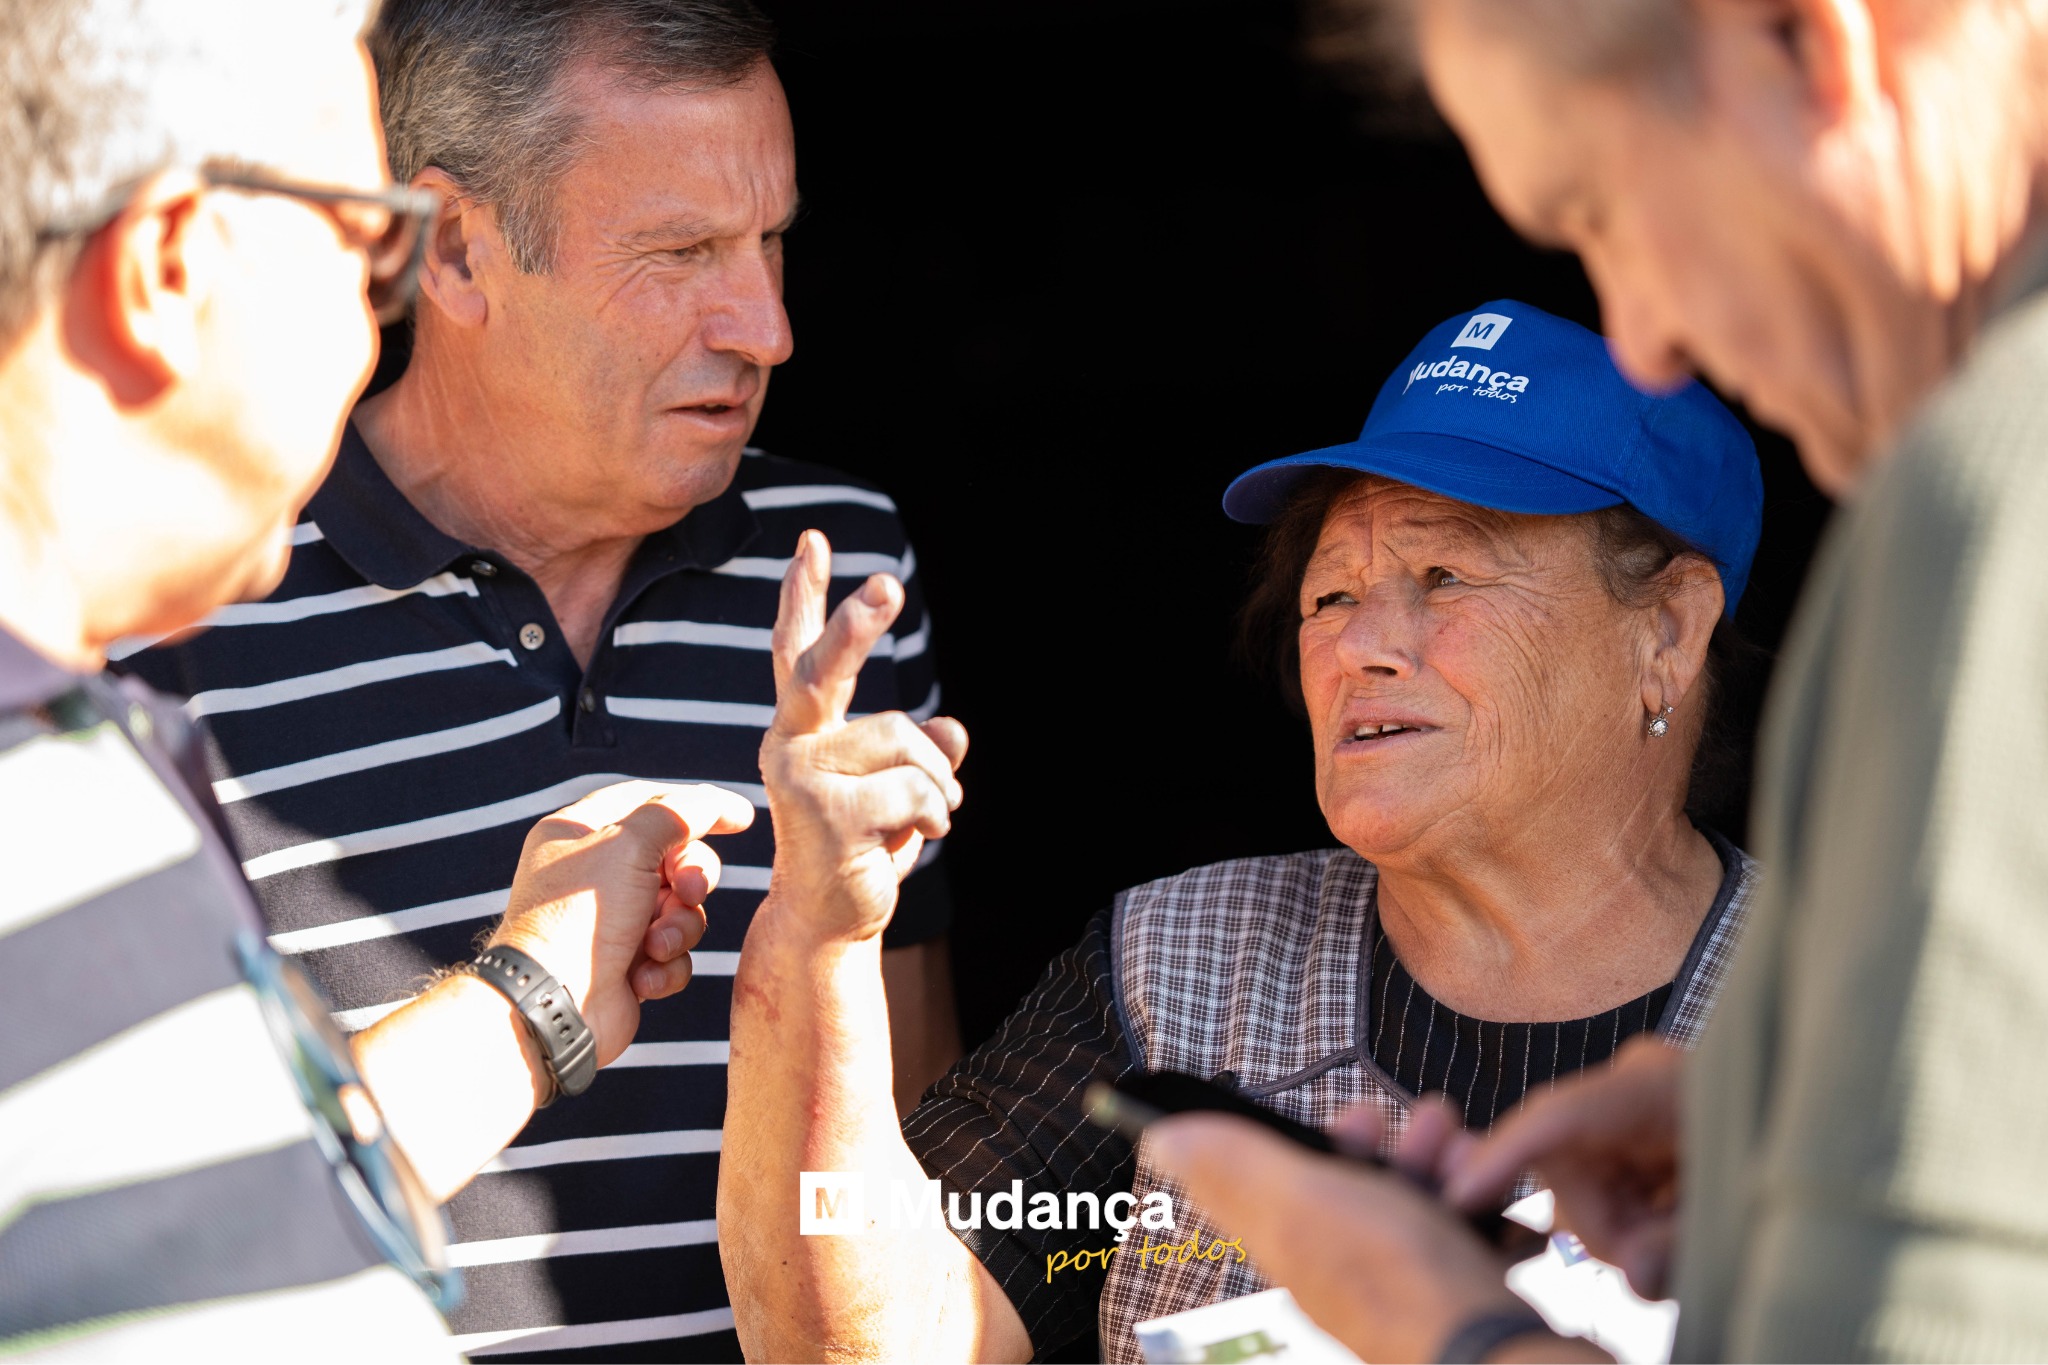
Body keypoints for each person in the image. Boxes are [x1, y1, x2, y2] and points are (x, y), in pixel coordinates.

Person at [1149, 0, 2048, 1360]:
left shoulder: (1991, 486)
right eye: (1332, 593)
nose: (1642, 337)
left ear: (1810, 42)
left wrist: (1437, 1322)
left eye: (1609, 206)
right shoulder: (1165, 953)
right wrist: (1775, 1155)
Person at [119, 1, 960, 1357]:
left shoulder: (841, 567)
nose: (767, 326)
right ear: (455, 247)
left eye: (770, 240)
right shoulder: (181, 606)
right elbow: (138, 1214)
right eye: (682, 252)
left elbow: (919, 1135)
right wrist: (535, 996)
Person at [718, 300, 1769, 1362]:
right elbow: (882, 1339)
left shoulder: (1851, 1008)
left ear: (1667, 635)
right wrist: (818, 931)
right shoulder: (1173, 970)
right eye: (1331, 595)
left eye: (1443, 577)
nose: (1360, 645)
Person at [0, 0, 754, 1358]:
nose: (373, 335)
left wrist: (531, 995)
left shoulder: (83, 751)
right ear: (172, 265)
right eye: (365, 255)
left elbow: (226, 1241)